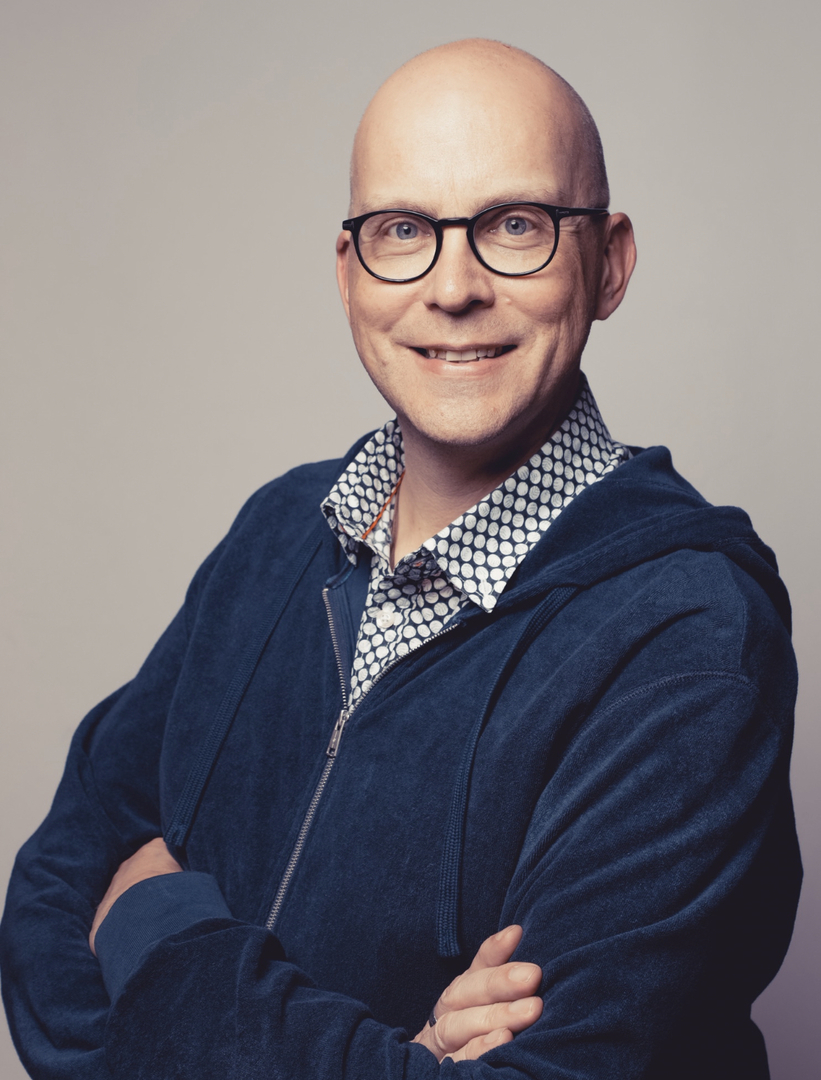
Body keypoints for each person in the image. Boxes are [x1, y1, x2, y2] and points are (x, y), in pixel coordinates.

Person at [0, 37, 801, 1080]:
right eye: (403, 230)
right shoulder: (277, 531)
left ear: (607, 263)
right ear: (348, 274)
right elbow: (49, 902)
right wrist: (393, 1059)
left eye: (514, 224)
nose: (452, 286)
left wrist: (154, 925)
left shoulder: (689, 636)